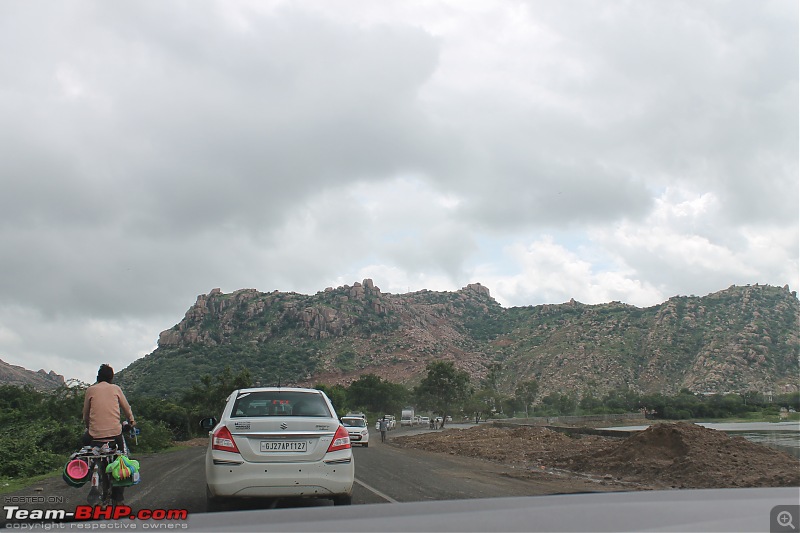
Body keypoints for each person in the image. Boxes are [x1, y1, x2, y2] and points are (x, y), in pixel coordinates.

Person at [82, 364, 136, 504]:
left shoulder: (90, 390)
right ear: (111, 377)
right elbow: (126, 408)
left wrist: (89, 428)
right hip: (114, 435)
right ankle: (118, 498)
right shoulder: (115, 389)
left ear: (98, 377)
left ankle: (90, 473)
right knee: (121, 460)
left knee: (89, 454)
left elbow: (86, 415)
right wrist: (131, 421)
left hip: (95, 436)